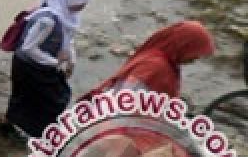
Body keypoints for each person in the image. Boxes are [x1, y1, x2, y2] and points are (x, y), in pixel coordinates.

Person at [0, 0, 92, 140]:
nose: (81, 7)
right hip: (28, 66)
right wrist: (55, 62)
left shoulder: (66, 15)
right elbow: (28, 48)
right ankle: (29, 130)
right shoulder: (47, 20)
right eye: (78, 2)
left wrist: (71, 61)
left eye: (84, 3)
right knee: (44, 100)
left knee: (39, 99)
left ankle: (19, 126)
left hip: (43, 64)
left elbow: (67, 39)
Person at [84, 21, 215, 99]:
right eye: (195, 53)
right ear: (184, 47)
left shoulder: (161, 61)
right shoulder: (155, 67)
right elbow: (124, 101)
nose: (196, 58)